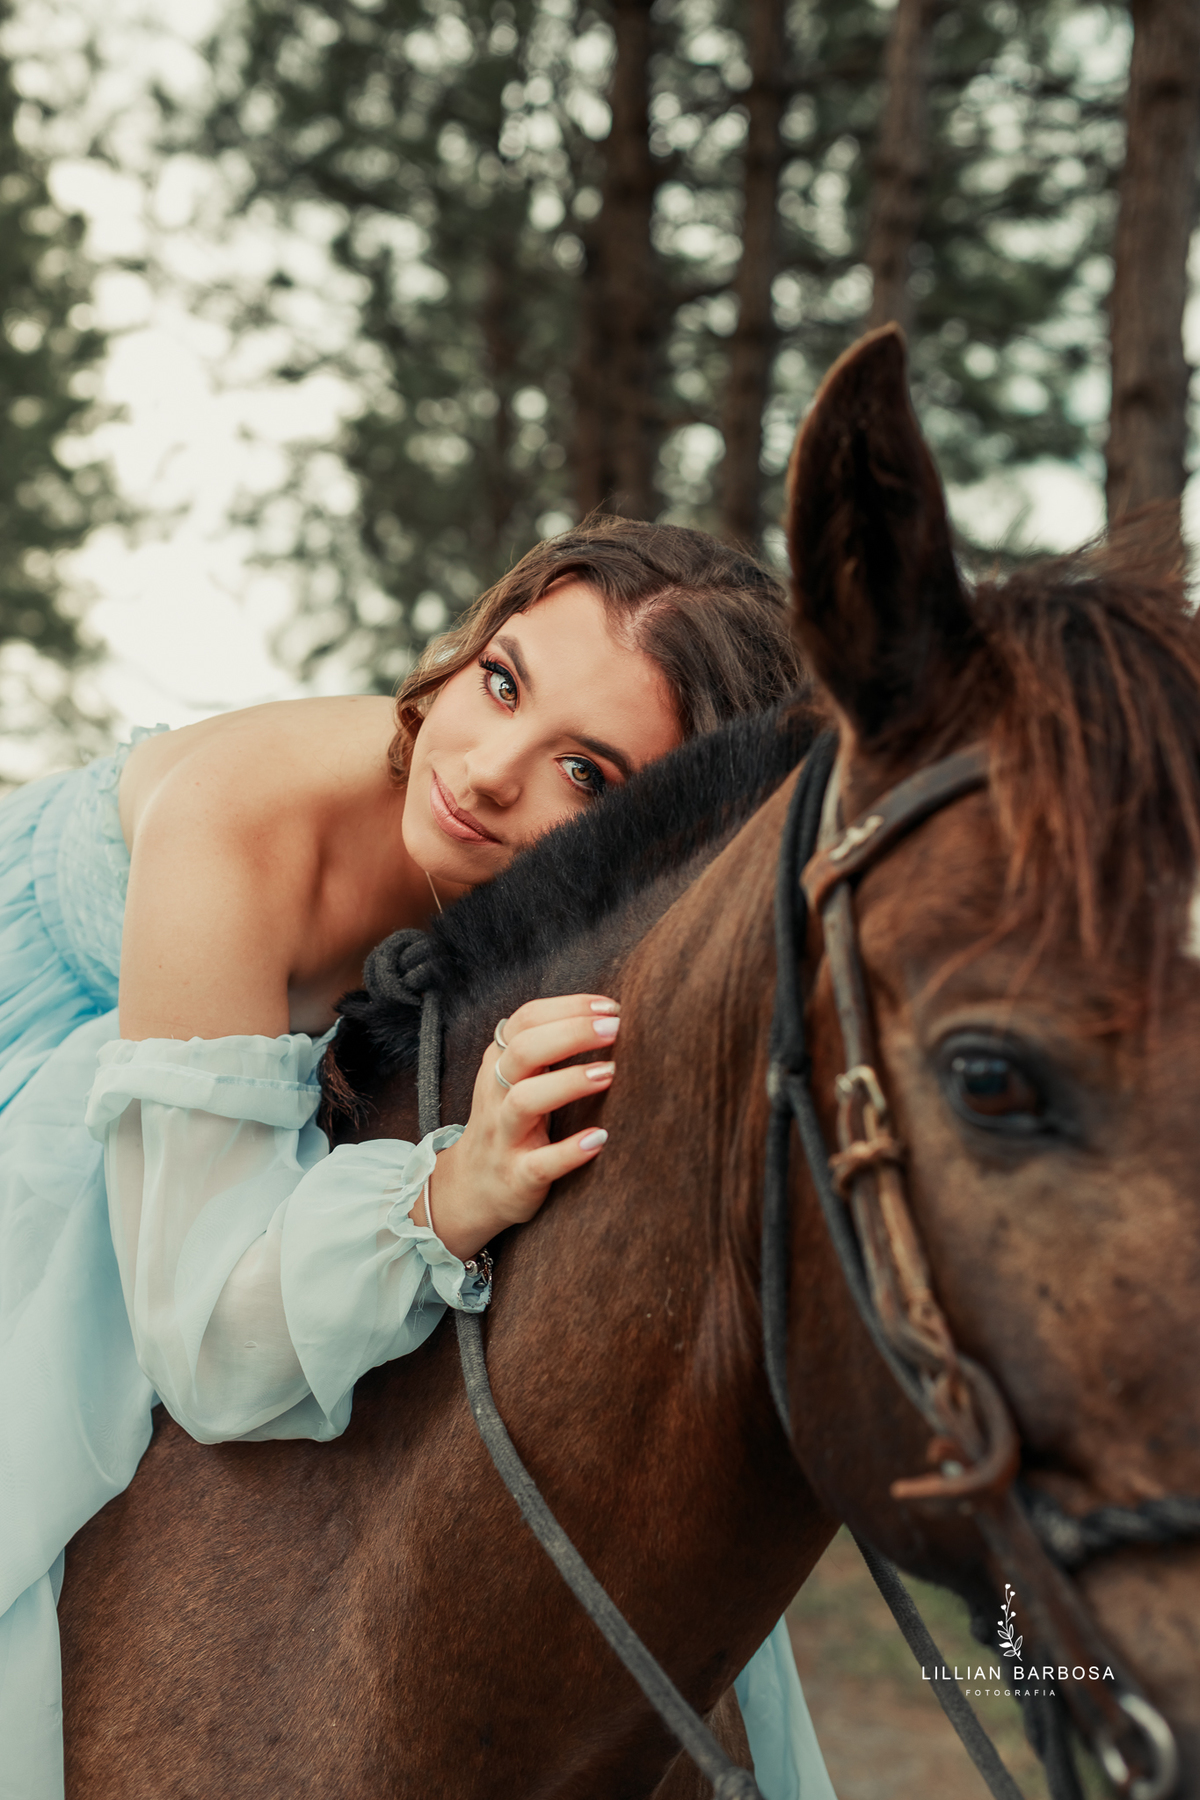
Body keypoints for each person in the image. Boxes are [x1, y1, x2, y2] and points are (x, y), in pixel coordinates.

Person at [0, 517, 836, 1800]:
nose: (488, 770)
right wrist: (441, 1199)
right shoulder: (250, 828)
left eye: (589, 776)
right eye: (500, 679)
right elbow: (205, 1346)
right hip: (61, 1019)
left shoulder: (575, 923)